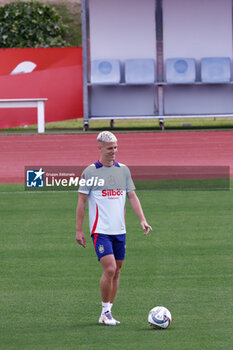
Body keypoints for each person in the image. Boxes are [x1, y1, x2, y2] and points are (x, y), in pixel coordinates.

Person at [76, 131, 152, 326]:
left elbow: (132, 196)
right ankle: (104, 311)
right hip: (100, 230)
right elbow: (81, 203)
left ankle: (108, 312)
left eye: (116, 147)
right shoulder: (90, 172)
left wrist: (142, 219)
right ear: (99, 148)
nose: (114, 151)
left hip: (120, 231)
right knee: (109, 269)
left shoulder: (124, 170)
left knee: (117, 271)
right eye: (110, 148)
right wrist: (79, 230)